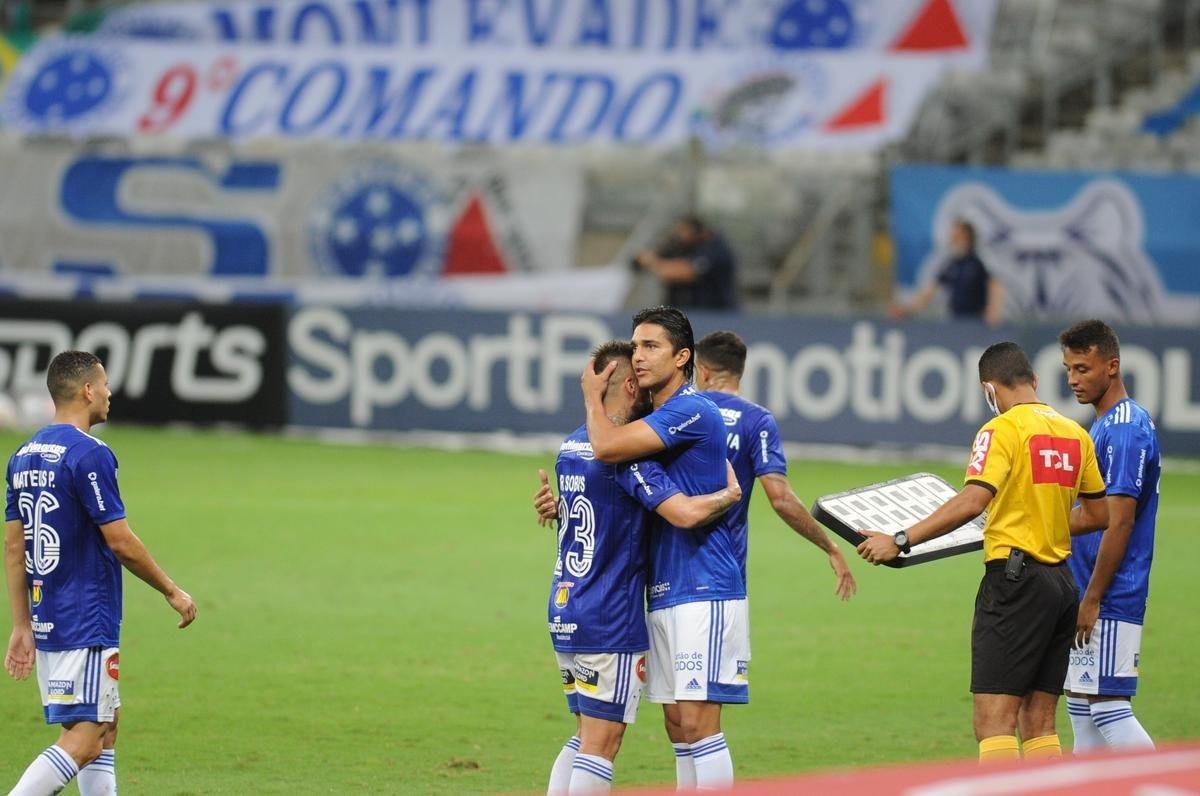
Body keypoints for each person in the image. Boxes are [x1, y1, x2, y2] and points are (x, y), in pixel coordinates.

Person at [856, 341, 1108, 763]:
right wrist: (1039, 518)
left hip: (1016, 584)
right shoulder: (1074, 433)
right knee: (1040, 723)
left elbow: (973, 500)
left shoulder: (1002, 430)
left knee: (993, 723)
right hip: (1062, 585)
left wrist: (899, 539)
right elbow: (1099, 513)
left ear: (989, 390)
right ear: (1035, 381)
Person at [533, 340, 743, 794]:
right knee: (602, 743)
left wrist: (556, 508)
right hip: (610, 615)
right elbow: (683, 514)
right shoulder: (624, 455)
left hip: (565, 606)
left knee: (584, 734)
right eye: (640, 376)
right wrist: (728, 495)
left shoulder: (571, 445)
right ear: (629, 384)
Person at [5, 351, 197, 795]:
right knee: (86, 739)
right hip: (84, 616)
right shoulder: (89, 454)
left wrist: (21, 624)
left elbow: (15, 547)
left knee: (106, 726)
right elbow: (120, 541)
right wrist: (170, 590)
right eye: (105, 384)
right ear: (88, 390)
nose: (110, 393)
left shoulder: (23, 454)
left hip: (47, 614)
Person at [693, 330, 856, 601]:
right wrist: (830, 546)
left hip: (667, 571)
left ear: (705, 372)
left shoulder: (678, 411)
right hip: (722, 571)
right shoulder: (755, 420)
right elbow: (781, 500)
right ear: (740, 372)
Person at [1058, 320, 1160, 751]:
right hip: (1086, 586)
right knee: (1082, 706)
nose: (1073, 380)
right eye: (1068, 369)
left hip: (1111, 593)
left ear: (1112, 366)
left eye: (1083, 369)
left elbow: (1119, 521)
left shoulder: (1123, 428)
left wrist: (1094, 597)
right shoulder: (1100, 425)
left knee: (1107, 707)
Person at [891, 218, 1003, 325]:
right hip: (957, 320)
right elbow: (929, 292)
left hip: (977, 322)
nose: (951, 241)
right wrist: (907, 309)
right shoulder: (952, 264)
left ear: (966, 237)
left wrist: (993, 310)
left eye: (955, 237)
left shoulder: (978, 261)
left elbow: (994, 284)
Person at [635, 216, 738, 310]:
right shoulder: (685, 246)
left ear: (696, 232)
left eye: (684, 231)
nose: (680, 236)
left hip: (716, 312)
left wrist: (653, 262)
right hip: (690, 311)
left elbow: (687, 273)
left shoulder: (715, 248)